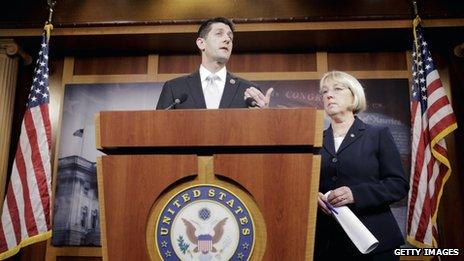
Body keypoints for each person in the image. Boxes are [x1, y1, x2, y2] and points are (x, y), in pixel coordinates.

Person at [314, 71, 409, 260]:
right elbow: (306, 183)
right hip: (328, 244)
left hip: (374, 241)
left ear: (354, 94)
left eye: (337, 89)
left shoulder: (377, 134)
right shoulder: (315, 139)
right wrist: (313, 197)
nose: (329, 95)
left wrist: (356, 194)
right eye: (324, 92)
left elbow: (398, 184)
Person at [156, 17, 273, 109]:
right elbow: (159, 130)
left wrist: (263, 115)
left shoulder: (249, 90)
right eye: (219, 34)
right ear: (201, 43)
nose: (227, 39)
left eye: (230, 37)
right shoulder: (175, 88)